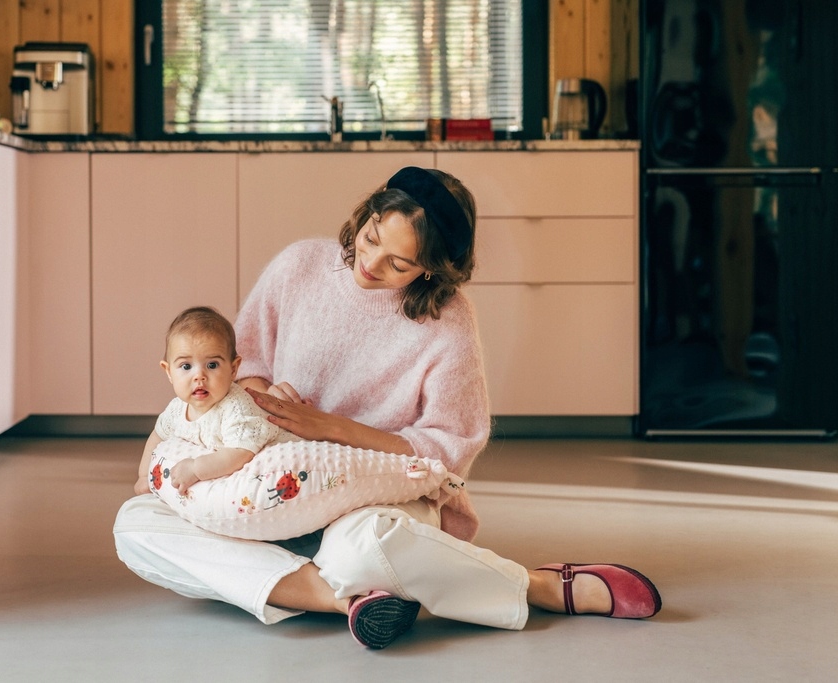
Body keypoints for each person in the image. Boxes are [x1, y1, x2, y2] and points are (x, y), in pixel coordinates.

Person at [114, 166, 662, 649]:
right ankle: (335, 597)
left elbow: (451, 446)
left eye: (398, 263)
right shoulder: (299, 266)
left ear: (431, 270)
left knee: (363, 547)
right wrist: (262, 390)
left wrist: (330, 428)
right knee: (136, 525)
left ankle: (533, 585)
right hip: (265, 488)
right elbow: (242, 357)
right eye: (371, 237)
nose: (370, 263)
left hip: (372, 497)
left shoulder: (448, 322)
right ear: (368, 213)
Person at [133, 306, 297, 497]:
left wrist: (196, 469)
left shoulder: (236, 408)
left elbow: (240, 452)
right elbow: (157, 435)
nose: (199, 376)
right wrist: (144, 476)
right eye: (186, 366)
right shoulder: (176, 409)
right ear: (169, 372)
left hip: (282, 459)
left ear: (233, 369)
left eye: (212, 365)